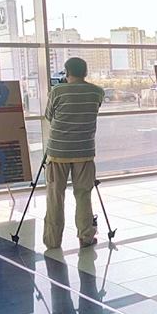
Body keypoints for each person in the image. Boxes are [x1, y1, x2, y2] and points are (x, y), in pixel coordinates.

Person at [43, 57, 105, 250]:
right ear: (85, 72)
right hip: (84, 151)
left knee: (55, 196)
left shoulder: (57, 91)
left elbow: (48, 116)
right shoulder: (97, 92)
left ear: (67, 71)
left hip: (58, 152)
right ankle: (86, 236)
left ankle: (53, 241)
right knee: (83, 195)